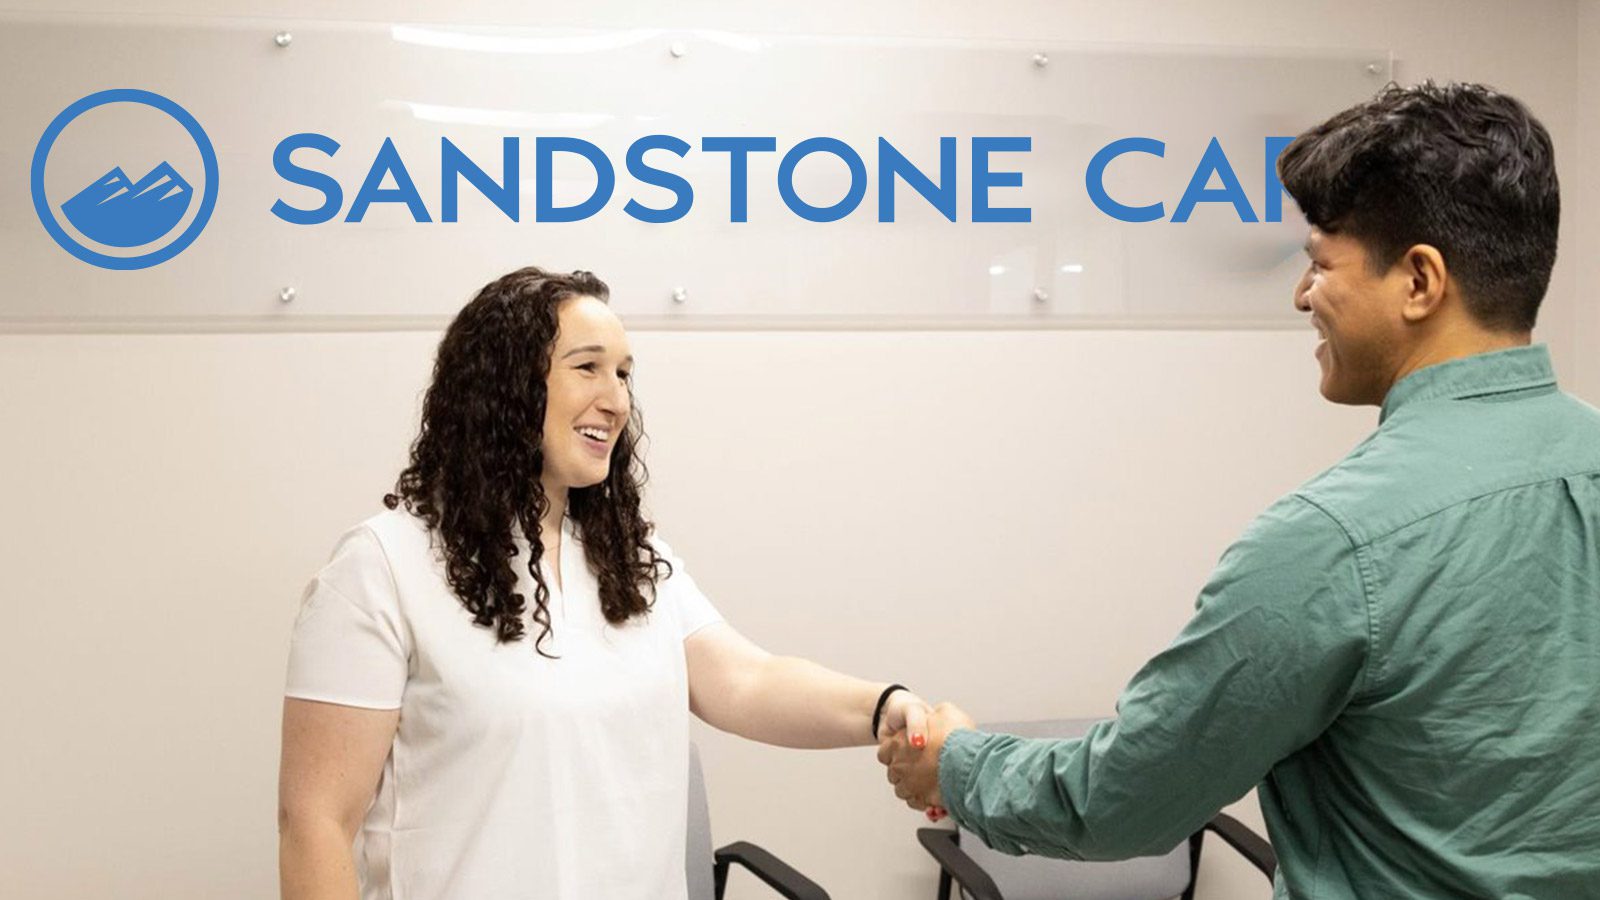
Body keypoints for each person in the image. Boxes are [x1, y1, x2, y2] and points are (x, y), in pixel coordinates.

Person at [880, 81, 1600, 898]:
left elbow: (1124, 799)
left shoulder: (1333, 543)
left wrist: (958, 764)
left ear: (1420, 283)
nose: (1303, 296)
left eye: (1321, 264)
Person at [277, 267, 933, 900]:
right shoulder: (381, 566)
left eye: (623, 374)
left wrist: (887, 707)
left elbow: (747, 683)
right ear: (504, 384)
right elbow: (315, 824)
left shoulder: (632, 561)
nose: (616, 399)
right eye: (587, 367)